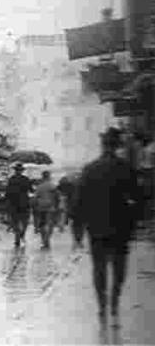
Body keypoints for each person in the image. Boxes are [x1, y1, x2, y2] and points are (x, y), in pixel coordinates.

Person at [74, 127, 140, 324]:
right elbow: (137, 198)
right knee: (119, 268)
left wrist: (77, 229)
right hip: (120, 226)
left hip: (96, 227)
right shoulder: (125, 168)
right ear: (117, 145)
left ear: (103, 145)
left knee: (99, 268)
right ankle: (114, 301)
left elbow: (79, 202)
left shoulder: (89, 169)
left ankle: (102, 304)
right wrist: (133, 222)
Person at [5, 162, 32, 248]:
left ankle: (17, 236)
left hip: (14, 204)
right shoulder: (26, 179)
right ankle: (21, 234)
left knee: (15, 222)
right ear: (22, 171)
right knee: (25, 221)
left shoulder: (11, 179)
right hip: (24, 203)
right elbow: (30, 190)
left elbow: (7, 193)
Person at [32, 170, 57, 249]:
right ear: (49, 176)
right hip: (51, 207)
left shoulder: (40, 186)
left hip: (41, 207)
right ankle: (47, 238)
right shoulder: (52, 186)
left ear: (42, 177)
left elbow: (35, 197)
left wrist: (35, 206)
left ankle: (44, 240)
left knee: (42, 224)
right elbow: (56, 196)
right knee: (50, 224)